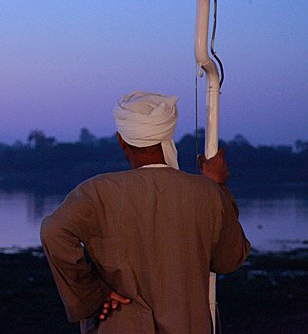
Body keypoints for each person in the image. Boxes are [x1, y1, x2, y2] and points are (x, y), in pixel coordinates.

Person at [40, 91, 250, 334]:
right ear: (167, 136)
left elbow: (53, 231)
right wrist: (219, 186)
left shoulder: (98, 191)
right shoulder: (206, 192)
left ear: (121, 139)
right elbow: (230, 259)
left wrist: (95, 292)